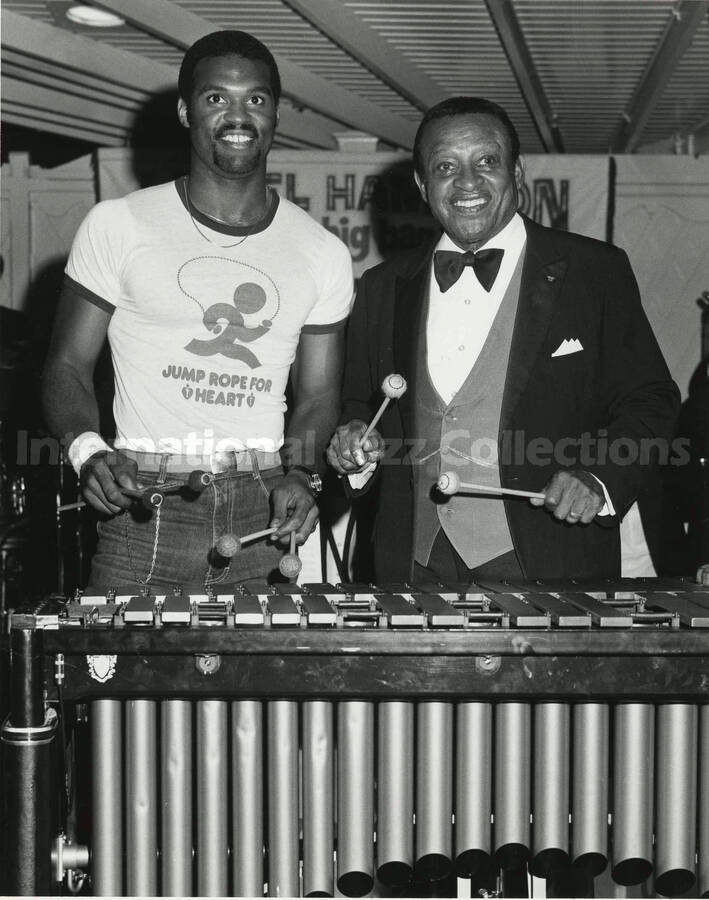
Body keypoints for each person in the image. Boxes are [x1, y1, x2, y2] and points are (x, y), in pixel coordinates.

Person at [42, 30, 353, 591]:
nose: (238, 116)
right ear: (186, 111)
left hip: (263, 511)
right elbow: (66, 365)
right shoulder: (119, 225)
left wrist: (304, 474)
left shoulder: (322, 252)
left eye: (255, 99)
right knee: (120, 681)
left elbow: (319, 396)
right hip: (142, 506)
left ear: (276, 112)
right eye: (216, 99)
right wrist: (89, 454)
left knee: (263, 683)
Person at [327, 96, 679, 584]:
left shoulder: (595, 271)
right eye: (445, 166)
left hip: (551, 559)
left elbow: (652, 399)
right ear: (422, 185)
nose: (467, 182)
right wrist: (353, 448)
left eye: (486, 162)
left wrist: (598, 478)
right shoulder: (381, 287)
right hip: (411, 563)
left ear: (517, 172)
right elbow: (358, 410)